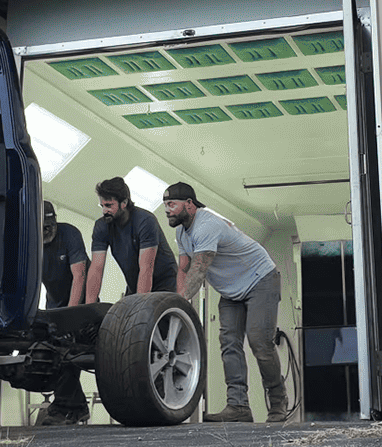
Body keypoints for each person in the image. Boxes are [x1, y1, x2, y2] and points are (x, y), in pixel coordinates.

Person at [164, 181, 290, 423]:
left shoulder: (207, 224)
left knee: (259, 342)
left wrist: (177, 305)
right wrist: (179, 302)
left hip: (260, 279)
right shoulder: (181, 232)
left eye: (172, 204)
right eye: (165, 205)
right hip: (231, 291)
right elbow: (184, 268)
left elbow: (199, 268)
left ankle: (278, 403)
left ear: (189, 205)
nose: (167, 210)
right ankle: (239, 406)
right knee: (229, 343)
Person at [37, 200, 91, 426]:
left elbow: (79, 276)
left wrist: (70, 317)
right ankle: (76, 407)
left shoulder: (69, 235)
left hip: (81, 304)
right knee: (50, 352)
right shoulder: (30, 242)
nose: (46, 232)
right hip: (53, 305)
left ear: (55, 222)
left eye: (49, 226)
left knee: (68, 350)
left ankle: (64, 408)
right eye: (41, 228)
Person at [80, 176, 176, 302]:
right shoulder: (102, 226)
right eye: (102, 205)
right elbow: (96, 268)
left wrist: (140, 308)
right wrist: (89, 308)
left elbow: (146, 268)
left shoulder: (145, 221)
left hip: (165, 283)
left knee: (144, 315)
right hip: (135, 283)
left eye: (109, 205)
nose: (104, 211)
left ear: (124, 203)